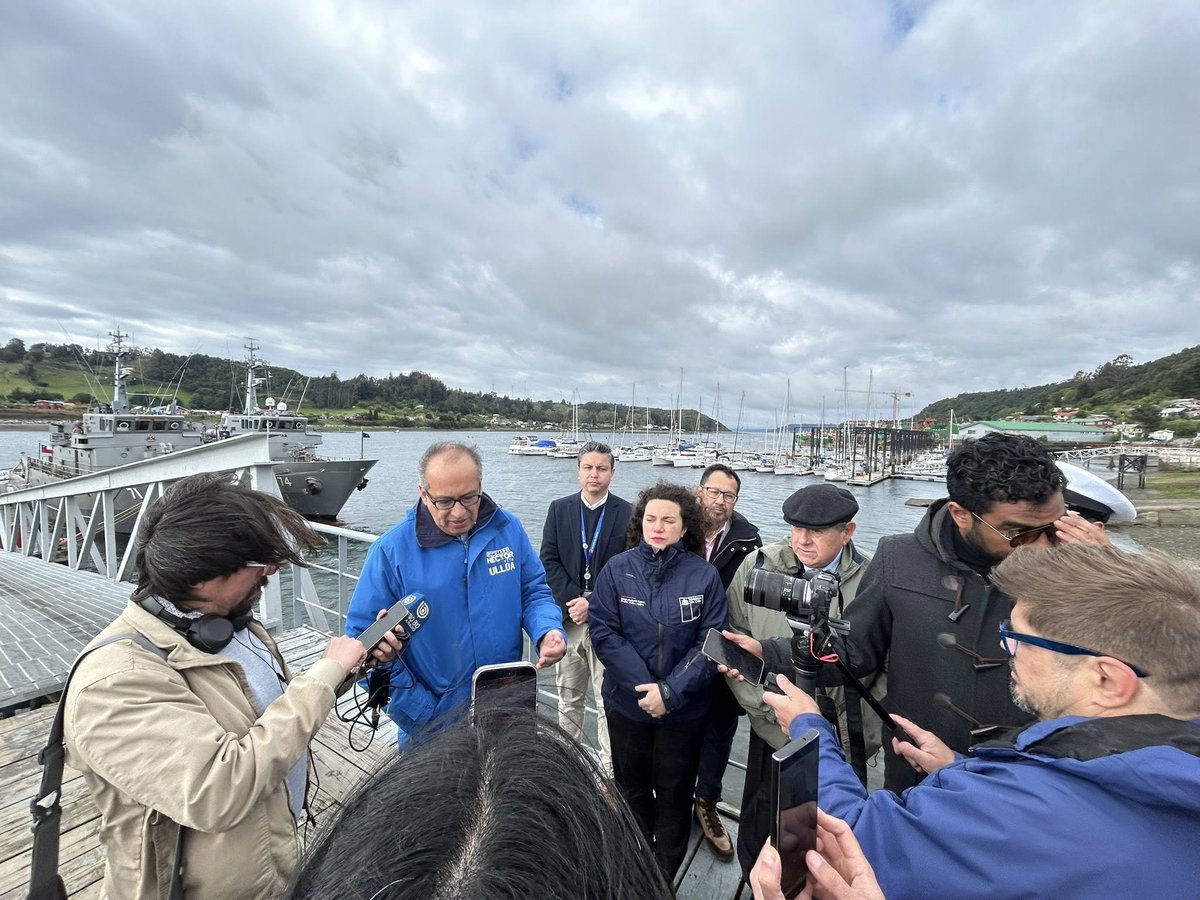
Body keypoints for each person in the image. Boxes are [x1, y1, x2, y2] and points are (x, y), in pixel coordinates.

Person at [764, 543, 1200, 899]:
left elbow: (852, 843)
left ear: (1107, 680)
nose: (1007, 651)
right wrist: (958, 768)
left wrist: (809, 729)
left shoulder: (1014, 812)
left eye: (1019, 639)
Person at [63, 474, 392, 899]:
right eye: (259, 562)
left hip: (270, 870)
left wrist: (350, 666)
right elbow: (218, 789)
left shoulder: (232, 628)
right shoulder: (114, 683)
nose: (272, 571)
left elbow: (274, 713)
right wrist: (323, 675)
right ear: (202, 576)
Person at [839, 432, 1070, 791]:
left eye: (1053, 528)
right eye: (1019, 533)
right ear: (961, 514)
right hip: (915, 777)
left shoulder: (1079, 572)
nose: (1043, 547)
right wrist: (770, 654)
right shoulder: (896, 558)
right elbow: (853, 652)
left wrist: (1105, 575)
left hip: (1035, 787)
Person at [288, 711, 674, 900]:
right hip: (434, 748)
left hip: (495, 743)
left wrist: (545, 628)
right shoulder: (388, 569)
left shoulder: (511, 559)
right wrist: (433, 710)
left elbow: (534, 591)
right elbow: (369, 648)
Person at [345, 441, 566, 736]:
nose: (459, 512)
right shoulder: (390, 551)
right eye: (445, 501)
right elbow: (361, 649)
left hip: (507, 708)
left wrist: (547, 629)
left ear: (480, 486)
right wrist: (424, 714)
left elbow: (533, 591)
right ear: (423, 494)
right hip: (432, 728)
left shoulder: (508, 529)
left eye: (469, 497)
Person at [722, 483, 876, 874]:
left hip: (839, 740)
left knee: (826, 837)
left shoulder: (873, 580)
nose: (802, 540)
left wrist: (850, 735)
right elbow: (736, 638)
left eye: (817, 531)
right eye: (795, 528)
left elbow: (884, 666)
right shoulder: (757, 566)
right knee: (760, 822)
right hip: (772, 731)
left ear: (847, 532)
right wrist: (768, 713)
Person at [588, 480, 729, 879]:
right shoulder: (617, 570)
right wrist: (645, 690)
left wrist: (670, 692)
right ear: (641, 522)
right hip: (627, 706)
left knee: (675, 792)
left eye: (669, 520)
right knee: (631, 790)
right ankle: (635, 865)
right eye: (651, 519)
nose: (659, 527)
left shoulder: (704, 576)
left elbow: (711, 641)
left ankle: (664, 875)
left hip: (684, 712)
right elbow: (604, 633)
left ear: (685, 528)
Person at [540, 440, 633, 774]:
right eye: (588, 467)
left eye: (602, 468)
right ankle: (566, 767)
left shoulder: (628, 513)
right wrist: (574, 601)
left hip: (608, 624)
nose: (595, 474)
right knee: (568, 698)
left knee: (608, 700)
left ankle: (609, 772)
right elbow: (548, 560)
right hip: (569, 621)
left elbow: (630, 568)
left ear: (612, 472)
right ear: (578, 470)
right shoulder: (559, 509)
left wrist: (592, 603)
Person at [692, 463, 762, 859]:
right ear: (699, 491)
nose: (720, 500)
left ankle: (707, 803)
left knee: (719, 731)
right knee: (676, 726)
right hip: (679, 646)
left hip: (724, 647)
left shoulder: (749, 541)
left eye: (728, 495)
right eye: (714, 491)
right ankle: (671, 796)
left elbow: (752, 603)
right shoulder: (677, 526)